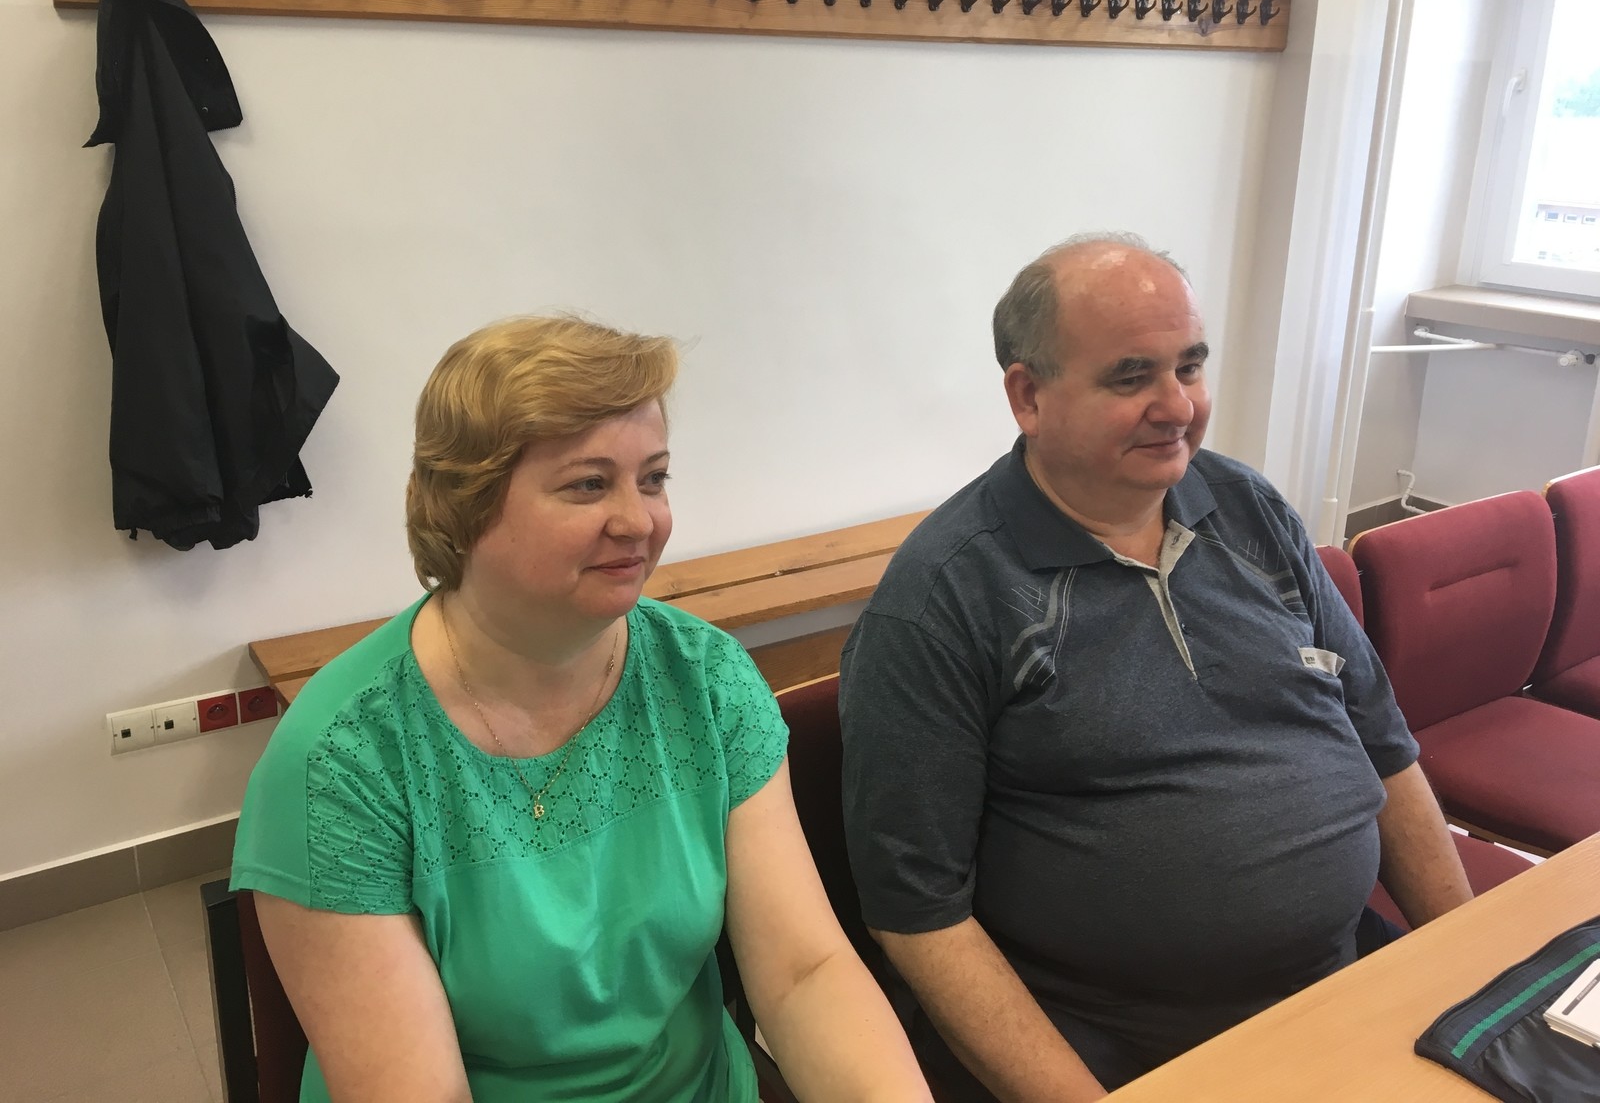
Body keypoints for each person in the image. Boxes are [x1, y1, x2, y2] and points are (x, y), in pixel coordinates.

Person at [838, 235, 1472, 1102]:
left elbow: (1384, 749)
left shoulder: (1250, 511)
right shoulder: (943, 600)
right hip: (1130, 1053)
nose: (1178, 407)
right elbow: (919, 916)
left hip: (1340, 989)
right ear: (1028, 396)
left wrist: (1471, 975)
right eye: (1132, 377)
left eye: (1191, 366)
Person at [234, 316, 930, 1103]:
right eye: (589, 484)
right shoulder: (341, 763)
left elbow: (804, 974)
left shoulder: (704, 680)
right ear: (466, 504)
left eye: (653, 479)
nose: (639, 521)